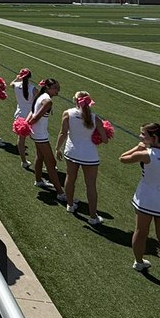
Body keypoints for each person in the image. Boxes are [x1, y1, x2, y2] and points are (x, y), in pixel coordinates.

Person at [119, 122, 160, 286]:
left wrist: (137, 147)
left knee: (140, 232)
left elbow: (122, 159)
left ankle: (139, 262)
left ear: (153, 138)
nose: (140, 137)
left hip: (145, 198)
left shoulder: (146, 154)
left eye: (143, 134)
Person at [55, 91, 105, 225]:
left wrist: (57, 148)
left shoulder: (67, 113)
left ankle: (70, 205)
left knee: (70, 178)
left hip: (71, 152)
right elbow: (105, 139)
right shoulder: (95, 118)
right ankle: (93, 217)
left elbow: (63, 133)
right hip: (90, 156)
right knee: (91, 185)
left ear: (75, 100)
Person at [26, 78, 65, 200]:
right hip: (40, 135)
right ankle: (60, 193)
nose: (57, 90)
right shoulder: (47, 101)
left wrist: (27, 125)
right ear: (48, 87)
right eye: (55, 88)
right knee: (51, 163)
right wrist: (26, 125)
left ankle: (38, 180)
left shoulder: (41, 96)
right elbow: (36, 117)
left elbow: (32, 113)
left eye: (58, 88)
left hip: (37, 133)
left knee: (40, 156)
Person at [12, 69, 35, 170]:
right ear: (29, 77)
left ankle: (24, 161)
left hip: (20, 115)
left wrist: (17, 78)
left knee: (21, 140)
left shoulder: (16, 85)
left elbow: (11, 83)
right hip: (31, 116)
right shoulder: (33, 89)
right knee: (38, 139)